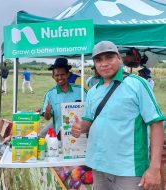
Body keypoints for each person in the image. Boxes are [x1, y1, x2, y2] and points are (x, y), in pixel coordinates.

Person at [71, 41, 165, 190]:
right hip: (99, 165)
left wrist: (154, 168)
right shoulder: (94, 90)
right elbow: (88, 121)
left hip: (129, 169)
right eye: (99, 60)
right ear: (95, 64)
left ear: (119, 59)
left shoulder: (137, 84)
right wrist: (79, 127)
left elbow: (156, 123)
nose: (104, 64)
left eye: (109, 57)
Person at [41, 57, 87, 135]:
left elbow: (90, 110)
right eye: (57, 75)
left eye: (62, 75)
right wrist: (47, 112)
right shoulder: (50, 94)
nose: (60, 78)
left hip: (79, 134)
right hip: (60, 135)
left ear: (68, 74)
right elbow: (47, 118)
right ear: (53, 76)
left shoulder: (81, 91)